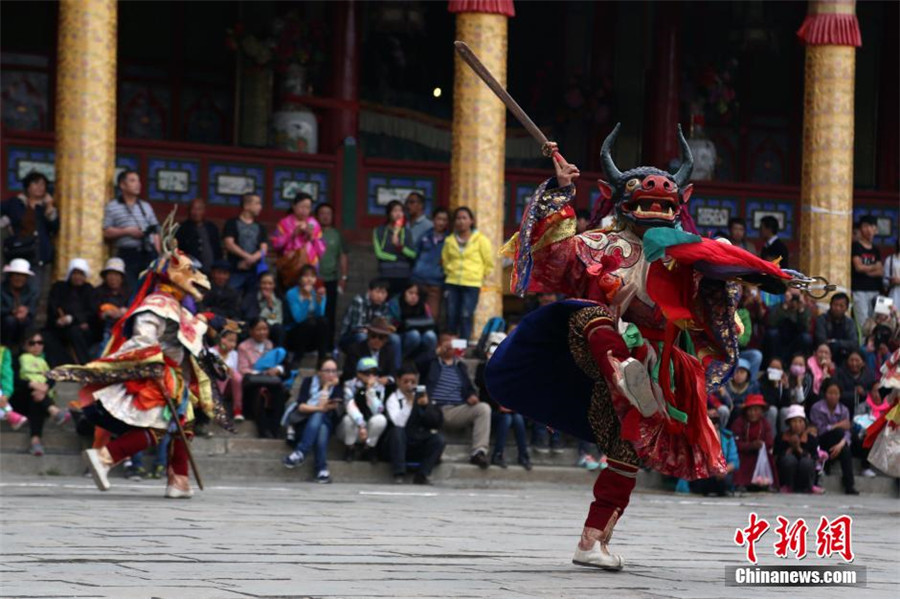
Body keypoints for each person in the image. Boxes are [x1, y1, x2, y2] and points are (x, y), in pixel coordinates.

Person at [484, 125, 798, 570]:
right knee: (587, 315)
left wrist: (749, 272)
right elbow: (550, 256)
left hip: (655, 366)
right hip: (596, 348)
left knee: (627, 450)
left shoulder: (686, 254)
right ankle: (621, 370)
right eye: (642, 198)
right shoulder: (600, 243)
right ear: (616, 198)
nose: (654, 206)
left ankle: (592, 543)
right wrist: (561, 188)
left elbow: (716, 296)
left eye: (664, 200)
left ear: (680, 201)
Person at [49, 212, 223, 498]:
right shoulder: (156, 303)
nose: (197, 278)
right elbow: (143, 340)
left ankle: (177, 479)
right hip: (158, 373)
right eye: (190, 271)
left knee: (184, 424)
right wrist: (153, 365)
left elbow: (187, 336)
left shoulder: (178, 306)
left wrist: (204, 321)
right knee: (157, 426)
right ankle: (105, 457)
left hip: (176, 375)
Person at [426, 332, 490, 469]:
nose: (450, 347)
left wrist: (471, 396)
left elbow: (468, 388)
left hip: (456, 409)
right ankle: (431, 451)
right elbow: (418, 363)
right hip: (434, 408)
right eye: (447, 343)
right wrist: (437, 352)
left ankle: (478, 452)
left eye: (453, 343)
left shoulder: (460, 366)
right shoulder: (431, 362)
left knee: (483, 408)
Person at [475, 333, 532, 470]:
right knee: (506, 419)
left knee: (517, 418)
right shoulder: (482, 367)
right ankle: (497, 454)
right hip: (491, 409)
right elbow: (484, 387)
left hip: (508, 408)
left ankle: (523, 455)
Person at [282, 357, 342, 483]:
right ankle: (321, 469)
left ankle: (301, 452)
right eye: (327, 371)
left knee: (320, 419)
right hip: (304, 423)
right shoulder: (308, 382)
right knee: (320, 421)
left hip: (327, 422)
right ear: (319, 372)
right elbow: (302, 406)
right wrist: (319, 408)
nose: (331, 374)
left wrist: (326, 387)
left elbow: (329, 406)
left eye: (334, 371)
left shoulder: (336, 387)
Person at [10, 330, 70, 455]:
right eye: (32, 343)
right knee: (35, 394)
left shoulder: (47, 359)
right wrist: (31, 384)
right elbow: (13, 380)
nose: (37, 346)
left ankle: (35, 442)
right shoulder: (17, 359)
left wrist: (45, 386)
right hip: (20, 399)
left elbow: (52, 377)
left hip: (39, 399)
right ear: (25, 345)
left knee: (37, 398)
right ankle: (54, 411)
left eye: (40, 342)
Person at [385, 362, 445, 484]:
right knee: (397, 432)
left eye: (413, 382)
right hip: (398, 442)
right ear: (398, 381)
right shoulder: (393, 399)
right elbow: (399, 423)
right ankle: (399, 472)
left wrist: (426, 407)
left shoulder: (422, 396)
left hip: (416, 438)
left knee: (438, 439)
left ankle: (423, 474)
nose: (409, 385)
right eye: (405, 382)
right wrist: (410, 403)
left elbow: (436, 422)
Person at [1, 171, 59, 295]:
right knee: (10, 291)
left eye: (43, 185)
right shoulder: (15, 203)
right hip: (17, 252)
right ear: (28, 186)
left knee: (35, 292)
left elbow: (55, 227)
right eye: (36, 183)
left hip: (38, 255)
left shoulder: (46, 207)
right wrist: (6, 224)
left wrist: (49, 207)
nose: (40, 187)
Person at [442, 206, 494, 341]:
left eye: (464, 218)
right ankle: (451, 347)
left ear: (471, 221)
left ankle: (463, 346)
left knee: (465, 315)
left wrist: (479, 275)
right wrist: (450, 271)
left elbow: (488, 262)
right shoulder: (449, 240)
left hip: (472, 283)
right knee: (451, 314)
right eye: (458, 218)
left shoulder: (481, 239)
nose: (461, 221)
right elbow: (445, 260)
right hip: (452, 282)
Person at [102, 170, 160, 290]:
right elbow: (106, 232)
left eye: (138, 181)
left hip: (147, 252)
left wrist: (159, 255)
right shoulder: (113, 206)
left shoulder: (145, 206)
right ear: (122, 185)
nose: (138, 184)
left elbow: (155, 231)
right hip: (127, 253)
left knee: (149, 287)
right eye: (133, 181)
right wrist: (127, 231)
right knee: (130, 288)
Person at [238, 318, 288, 438]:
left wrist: (277, 370)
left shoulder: (270, 345)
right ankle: (263, 429)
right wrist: (262, 373)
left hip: (270, 382)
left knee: (280, 392)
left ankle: (275, 428)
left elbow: (281, 364)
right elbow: (243, 369)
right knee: (259, 393)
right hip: (253, 384)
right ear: (251, 331)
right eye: (258, 329)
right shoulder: (243, 347)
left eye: (265, 329)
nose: (262, 332)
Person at [810, 379, 858, 495]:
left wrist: (841, 445)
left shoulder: (844, 410)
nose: (833, 396)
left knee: (845, 449)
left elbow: (847, 433)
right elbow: (819, 430)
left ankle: (849, 484)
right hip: (822, 442)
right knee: (838, 432)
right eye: (830, 393)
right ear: (825, 394)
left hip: (838, 444)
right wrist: (837, 425)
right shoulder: (817, 408)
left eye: (836, 394)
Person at [44, 258, 95, 366]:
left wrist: (74, 318)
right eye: (75, 273)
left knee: (75, 332)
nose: (77, 277)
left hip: (81, 327)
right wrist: (58, 318)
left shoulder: (89, 290)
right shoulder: (59, 287)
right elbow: (53, 306)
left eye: (81, 274)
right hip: (60, 324)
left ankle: (85, 364)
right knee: (47, 336)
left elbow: (92, 311)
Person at [271, 193, 325, 289]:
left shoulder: (314, 223)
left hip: (309, 265)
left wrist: (312, 237)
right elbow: (276, 244)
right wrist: (293, 234)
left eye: (308, 207)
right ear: (294, 206)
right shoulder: (284, 223)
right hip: (290, 265)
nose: (305, 211)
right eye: (302, 207)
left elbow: (322, 250)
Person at [338, 356, 388, 462]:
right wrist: (361, 425)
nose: (371, 376)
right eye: (367, 373)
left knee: (380, 419)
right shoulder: (349, 385)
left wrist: (370, 391)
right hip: (351, 427)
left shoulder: (379, 387)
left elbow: (378, 410)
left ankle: (368, 448)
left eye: (374, 373)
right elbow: (350, 406)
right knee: (348, 419)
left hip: (368, 426)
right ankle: (350, 448)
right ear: (358, 373)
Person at [314, 203, 348, 351]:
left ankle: (328, 346)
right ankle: (313, 345)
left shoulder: (336, 234)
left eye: (328, 213)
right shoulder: (312, 232)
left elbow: (343, 256)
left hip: (331, 279)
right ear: (317, 216)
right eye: (322, 213)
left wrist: (344, 277)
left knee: (330, 314)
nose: (325, 216)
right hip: (313, 280)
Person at [223, 193, 268, 297]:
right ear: (246, 206)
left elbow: (264, 249)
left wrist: (252, 259)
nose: (260, 207)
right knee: (232, 296)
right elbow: (229, 244)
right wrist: (247, 257)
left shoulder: (260, 227)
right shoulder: (232, 223)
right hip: (235, 269)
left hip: (254, 271)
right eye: (257, 203)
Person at [386, 281, 438, 371]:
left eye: (417, 294)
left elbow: (430, 323)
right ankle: (400, 363)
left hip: (421, 336)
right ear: (404, 292)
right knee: (414, 335)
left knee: (431, 336)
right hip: (400, 335)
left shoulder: (423, 306)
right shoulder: (395, 304)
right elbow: (389, 323)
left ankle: (428, 364)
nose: (413, 296)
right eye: (410, 293)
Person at [730, 394, 776, 491]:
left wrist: (762, 445)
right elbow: (735, 443)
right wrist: (750, 446)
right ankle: (740, 483)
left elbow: (769, 441)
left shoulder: (764, 424)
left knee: (769, 457)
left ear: (761, 411)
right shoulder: (739, 423)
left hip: (759, 454)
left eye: (756, 410)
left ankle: (767, 483)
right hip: (743, 453)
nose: (752, 413)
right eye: (750, 410)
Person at [689, 408, 738, 496]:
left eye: (715, 420)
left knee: (726, 481)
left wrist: (723, 470)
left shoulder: (728, 436)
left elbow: (735, 461)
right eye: (710, 420)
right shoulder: (698, 436)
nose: (713, 424)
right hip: (704, 474)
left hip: (722, 474)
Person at [411, 208, 449, 322]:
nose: (441, 222)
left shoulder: (449, 240)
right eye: (438, 219)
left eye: (444, 220)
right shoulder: (424, 237)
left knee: (432, 316)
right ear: (433, 220)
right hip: (418, 280)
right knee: (416, 313)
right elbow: (415, 255)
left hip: (436, 283)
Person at [284, 264, 328, 361]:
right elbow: (298, 318)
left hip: (311, 336)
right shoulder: (292, 293)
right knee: (309, 322)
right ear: (300, 278)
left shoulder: (317, 292)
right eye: (306, 276)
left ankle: (322, 360)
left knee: (323, 321)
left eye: (312, 276)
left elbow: (320, 315)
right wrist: (307, 298)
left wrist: (320, 300)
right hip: (294, 334)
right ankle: (297, 359)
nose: (309, 279)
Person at [373, 200, 417, 297]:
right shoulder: (379, 231)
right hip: (386, 273)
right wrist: (397, 258)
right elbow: (379, 253)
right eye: (395, 211)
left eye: (400, 211)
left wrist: (400, 247)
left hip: (403, 274)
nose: (398, 214)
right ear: (389, 213)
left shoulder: (407, 232)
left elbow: (413, 254)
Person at [775, 404, 822, 494]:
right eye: (794, 422)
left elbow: (814, 458)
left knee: (806, 462)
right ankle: (788, 485)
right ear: (789, 423)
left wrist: (799, 448)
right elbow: (777, 457)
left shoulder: (810, 439)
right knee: (789, 460)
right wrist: (791, 448)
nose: (797, 425)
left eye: (800, 421)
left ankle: (809, 486)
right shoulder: (781, 437)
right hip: (787, 473)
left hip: (805, 472)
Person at [341, 317, 398, 385]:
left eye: (381, 337)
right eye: (373, 336)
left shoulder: (389, 351)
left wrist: (388, 379)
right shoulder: (355, 349)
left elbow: (393, 372)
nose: (377, 340)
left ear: (386, 340)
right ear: (368, 335)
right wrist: (361, 377)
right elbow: (348, 372)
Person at [338, 278, 390, 352]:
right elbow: (356, 327)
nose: (380, 296)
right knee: (363, 337)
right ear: (369, 291)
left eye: (383, 293)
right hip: (350, 336)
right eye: (377, 292)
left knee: (394, 339)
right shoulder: (359, 301)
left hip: (373, 335)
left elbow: (383, 326)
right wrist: (373, 331)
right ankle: (366, 362)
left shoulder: (385, 305)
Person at [91, 258, 130, 354]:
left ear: (121, 277)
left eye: (116, 275)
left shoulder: (128, 292)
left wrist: (125, 311)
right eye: (110, 275)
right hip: (102, 329)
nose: (113, 278)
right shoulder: (98, 292)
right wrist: (104, 314)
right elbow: (92, 311)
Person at [850, 215, 884, 329]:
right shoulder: (856, 246)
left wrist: (866, 270)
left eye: (872, 226)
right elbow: (858, 267)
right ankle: (863, 347)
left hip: (877, 290)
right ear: (861, 229)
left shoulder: (876, 249)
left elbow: (880, 271)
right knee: (863, 323)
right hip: (859, 290)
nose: (869, 229)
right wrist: (874, 267)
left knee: (879, 321)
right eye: (866, 226)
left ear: (876, 230)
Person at [764, 287, 813, 363]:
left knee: (806, 338)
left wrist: (800, 310)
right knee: (772, 333)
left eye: (796, 295)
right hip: (779, 340)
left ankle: (800, 363)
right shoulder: (778, 307)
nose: (793, 298)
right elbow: (771, 323)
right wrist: (785, 306)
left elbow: (806, 329)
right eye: (791, 294)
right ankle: (773, 362)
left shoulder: (804, 310)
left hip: (795, 342)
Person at [175, 198, 222, 271]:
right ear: (189, 211)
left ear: (204, 211)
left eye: (199, 209)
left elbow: (218, 250)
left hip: (211, 270)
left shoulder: (212, 228)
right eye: (193, 209)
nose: (196, 212)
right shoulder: (182, 228)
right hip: (190, 270)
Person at [1, 258, 38, 348]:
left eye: (23, 276)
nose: (19, 278)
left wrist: (26, 311)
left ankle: (22, 349)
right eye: (17, 275)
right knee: (10, 321)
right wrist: (13, 311)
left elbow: (33, 308)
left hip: (23, 322)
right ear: (10, 276)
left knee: (26, 322)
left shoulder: (31, 290)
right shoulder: (1, 289)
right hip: (3, 323)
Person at [814, 292, 858, 366]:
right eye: (835, 305)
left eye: (841, 306)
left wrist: (837, 343)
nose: (837, 308)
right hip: (825, 353)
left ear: (846, 308)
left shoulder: (849, 322)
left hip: (844, 353)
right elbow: (821, 339)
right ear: (830, 305)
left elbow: (854, 343)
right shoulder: (822, 319)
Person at [242, 272, 284, 346]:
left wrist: (270, 306)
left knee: (278, 329)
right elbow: (252, 318)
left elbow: (277, 320)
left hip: (270, 327)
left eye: (270, 284)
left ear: (274, 285)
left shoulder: (278, 299)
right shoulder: (251, 297)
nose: (267, 286)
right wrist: (267, 308)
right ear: (259, 284)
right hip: (255, 327)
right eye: (264, 283)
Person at [210, 327, 243, 421]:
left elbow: (235, 373)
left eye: (234, 341)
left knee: (237, 377)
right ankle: (217, 407)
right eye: (230, 340)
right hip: (214, 385)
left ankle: (237, 409)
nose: (233, 344)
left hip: (229, 386)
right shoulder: (211, 352)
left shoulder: (234, 354)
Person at [836, 350, 876, 416]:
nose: (854, 364)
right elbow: (838, 393)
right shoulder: (840, 374)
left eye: (857, 360)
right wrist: (855, 394)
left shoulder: (870, 375)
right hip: (843, 410)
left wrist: (863, 393)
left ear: (863, 363)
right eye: (851, 360)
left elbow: (873, 393)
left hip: (864, 412)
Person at [884, 239, 900, 307]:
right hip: (893, 294)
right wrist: (891, 281)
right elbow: (884, 280)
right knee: (892, 316)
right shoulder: (890, 260)